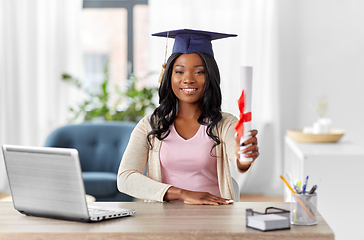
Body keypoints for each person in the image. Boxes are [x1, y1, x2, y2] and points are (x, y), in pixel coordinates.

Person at [117, 29, 259, 205]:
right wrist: (182, 194)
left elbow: (237, 155)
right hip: (162, 220)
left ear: (210, 77)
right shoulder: (150, 125)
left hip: (215, 217)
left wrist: (243, 157)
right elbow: (125, 178)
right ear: (169, 75)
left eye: (199, 72)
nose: (188, 79)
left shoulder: (226, 124)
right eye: (179, 71)